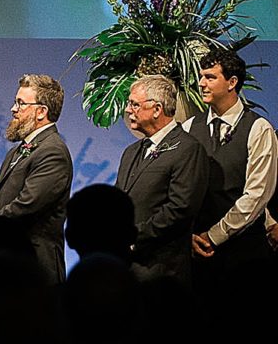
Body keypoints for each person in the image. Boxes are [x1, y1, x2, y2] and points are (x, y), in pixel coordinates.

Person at [183, 47, 277, 281]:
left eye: (210, 77)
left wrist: (213, 236)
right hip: (197, 256)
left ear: (232, 82)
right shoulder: (189, 127)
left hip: (243, 258)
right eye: (201, 76)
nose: (202, 83)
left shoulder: (258, 128)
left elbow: (257, 194)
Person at [0, 74, 73, 284]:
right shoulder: (17, 151)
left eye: (21, 103)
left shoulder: (53, 152)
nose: (13, 109)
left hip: (35, 269)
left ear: (41, 112)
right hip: (7, 263)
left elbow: (26, 205)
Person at [115, 75, 208, 282]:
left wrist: (133, 238)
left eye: (134, 104)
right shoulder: (131, 151)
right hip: (126, 268)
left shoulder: (187, 149)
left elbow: (180, 208)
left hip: (161, 271)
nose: (128, 110)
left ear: (157, 109)